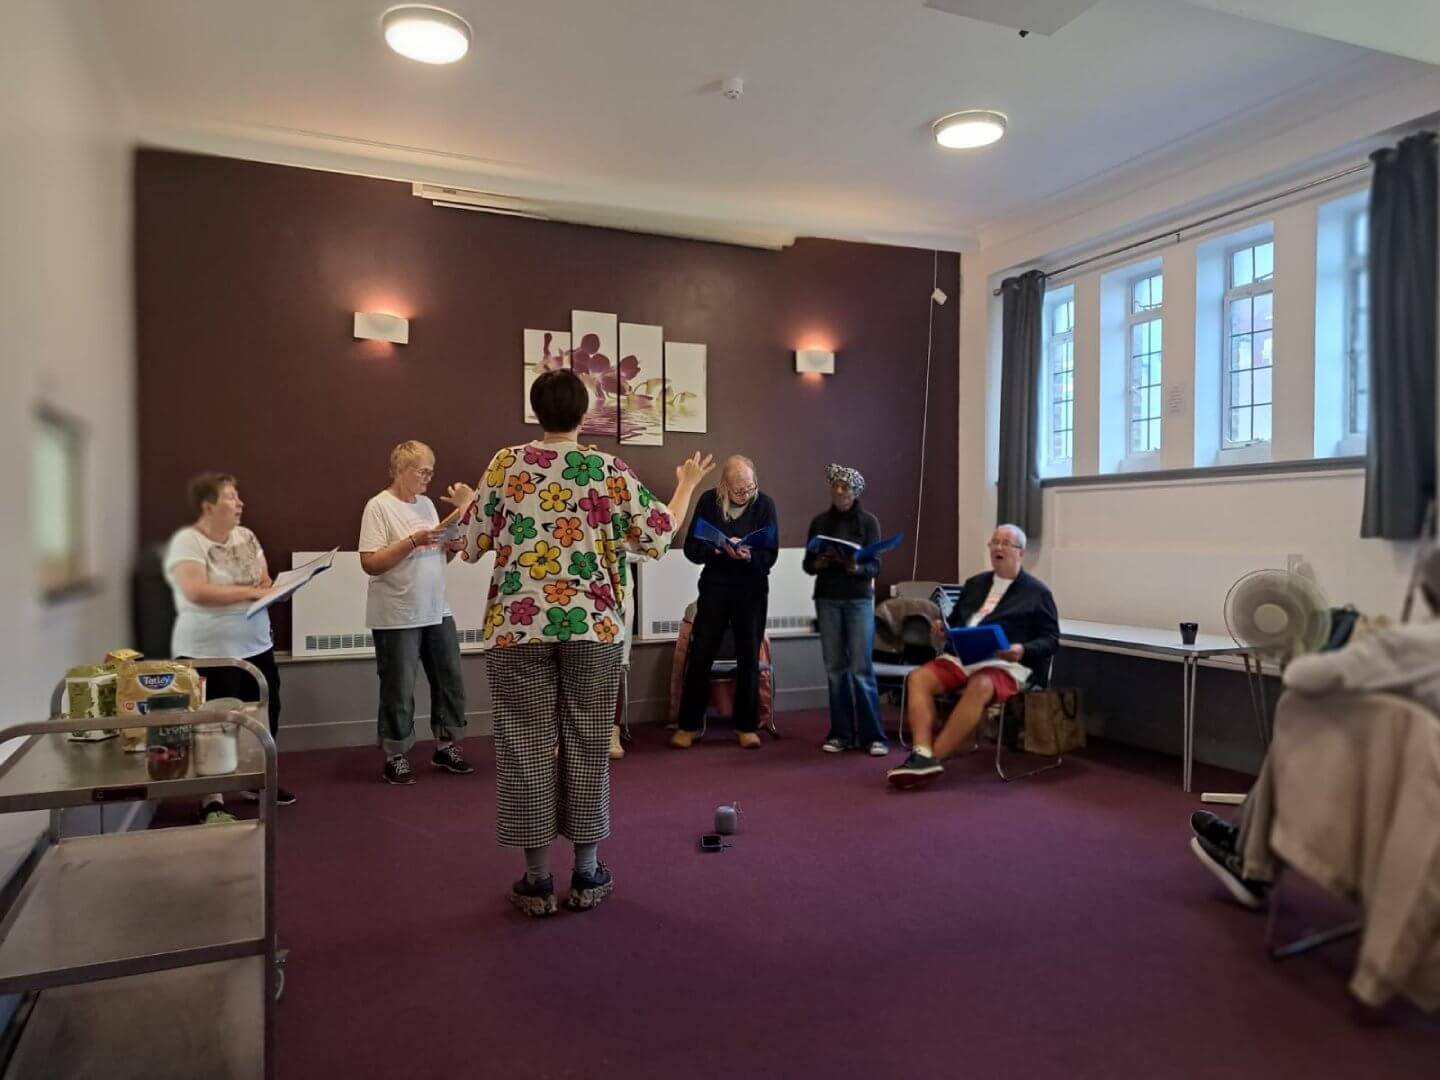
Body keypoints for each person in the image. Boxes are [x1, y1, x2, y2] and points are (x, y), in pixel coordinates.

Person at [454, 370, 713, 916]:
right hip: (593, 626)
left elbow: (470, 542)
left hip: (516, 626)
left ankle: (537, 880)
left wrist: (470, 502)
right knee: (589, 742)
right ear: (584, 413)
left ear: (535, 411)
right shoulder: (605, 468)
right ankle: (588, 873)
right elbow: (660, 531)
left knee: (525, 747)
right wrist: (687, 483)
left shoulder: (505, 465)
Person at [1190, 547, 1440, 910]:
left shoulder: (1413, 644)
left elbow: (1301, 674)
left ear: (1427, 592)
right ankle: (1246, 844)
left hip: (1406, 789)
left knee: (1303, 715)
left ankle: (1250, 860)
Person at [886, 523, 1059, 788]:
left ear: (1020, 553)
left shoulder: (1037, 593)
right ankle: (922, 751)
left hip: (1006, 663)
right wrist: (943, 630)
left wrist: (1021, 650)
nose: (998, 548)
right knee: (918, 678)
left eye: (1005, 543)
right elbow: (955, 622)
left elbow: (1051, 640)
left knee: (981, 685)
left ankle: (932, 759)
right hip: (964, 656)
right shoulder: (975, 583)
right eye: (994, 542)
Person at [164, 472, 293, 821]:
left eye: (238, 497)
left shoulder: (247, 536)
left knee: (266, 714)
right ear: (209, 505)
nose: (240, 503)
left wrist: (268, 588)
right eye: (231, 497)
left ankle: (254, 779)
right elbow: (197, 590)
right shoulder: (188, 542)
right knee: (215, 723)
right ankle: (212, 798)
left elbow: (264, 578)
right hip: (210, 649)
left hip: (257, 644)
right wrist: (253, 592)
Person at [359, 440, 472, 786]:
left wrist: (451, 545)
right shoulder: (378, 507)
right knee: (399, 686)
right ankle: (396, 755)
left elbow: (438, 557)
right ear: (399, 470)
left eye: (431, 471)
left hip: (437, 608)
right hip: (397, 613)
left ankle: (446, 746)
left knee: (450, 679)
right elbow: (370, 563)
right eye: (422, 470)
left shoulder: (425, 505)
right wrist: (413, 541)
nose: (428, 477)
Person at [671, 455, 779, 750]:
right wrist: (718, 550)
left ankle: (746, 726)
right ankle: (689, 725)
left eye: (749, 487)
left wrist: (749, 555)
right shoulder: (709, 501)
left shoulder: (765, 504)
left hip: (751, 589)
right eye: (738, 489)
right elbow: (691, 549)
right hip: (715, 588)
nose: (745, 494)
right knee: (702, 654)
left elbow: (771, 553)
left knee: (748, 657)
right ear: (725, 485)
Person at [803, 464, 888, 755]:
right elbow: (807, 564)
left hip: (858, 600)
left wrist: (856, 566)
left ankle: (873, 736)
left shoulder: (868, 523)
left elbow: (875, 565)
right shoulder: (819, 522)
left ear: (856, 492)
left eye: (845, 487)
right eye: (835, 486)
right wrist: (821, 562)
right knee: (835, 669)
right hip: (827, 599)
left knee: (860, 669)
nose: (839, 491)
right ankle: (840, 734)